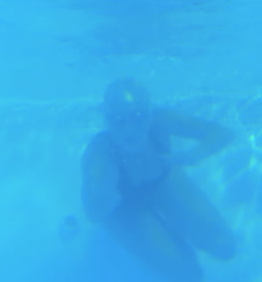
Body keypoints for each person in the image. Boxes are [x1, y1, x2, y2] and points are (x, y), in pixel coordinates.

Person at [81, 78, 236, 282]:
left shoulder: (160, 122)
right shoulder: (101, 153)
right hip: (124, 206)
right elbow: (94, 212)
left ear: (149, 113)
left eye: (137, 117)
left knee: (224, 245)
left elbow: (222, 133)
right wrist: (105, 193)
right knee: (187, 274)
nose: (129, 129)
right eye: (118, 119)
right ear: (107, 120)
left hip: (161, 181)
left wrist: (193, 155)